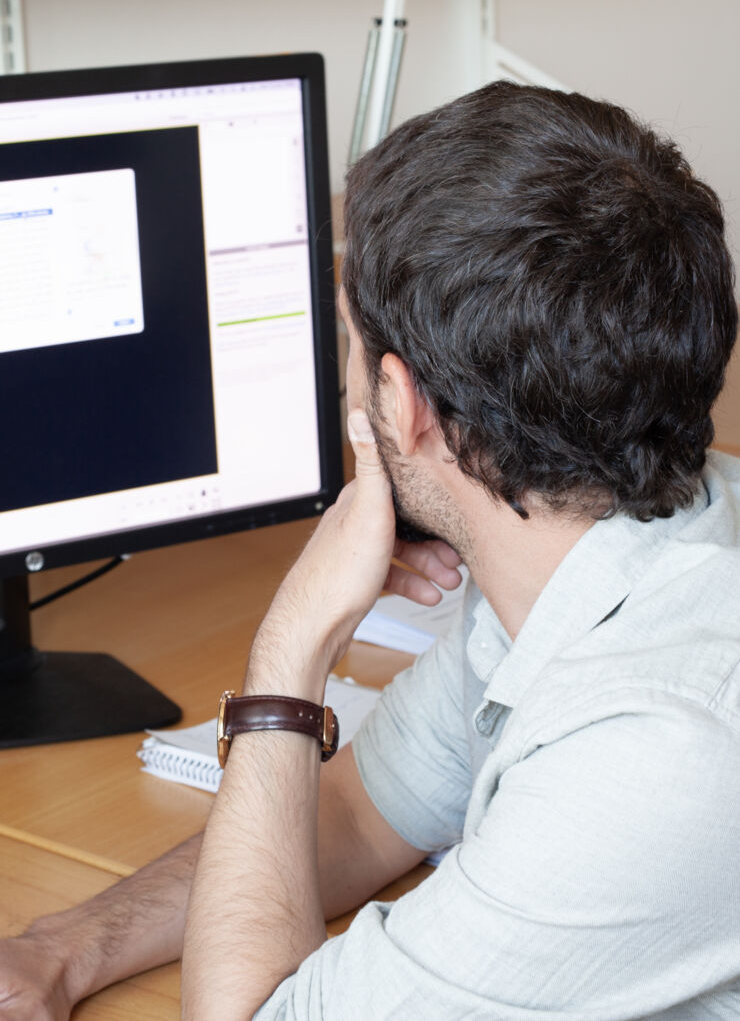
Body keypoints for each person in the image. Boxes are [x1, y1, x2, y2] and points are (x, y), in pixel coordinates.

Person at [2, 80, 739, 1019]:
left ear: (401, 405)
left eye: (348, 345)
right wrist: (64, 949)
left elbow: (246, 1012)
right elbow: (354, 816)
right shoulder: (599, 546)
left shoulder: (659, 751)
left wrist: (292, 646)